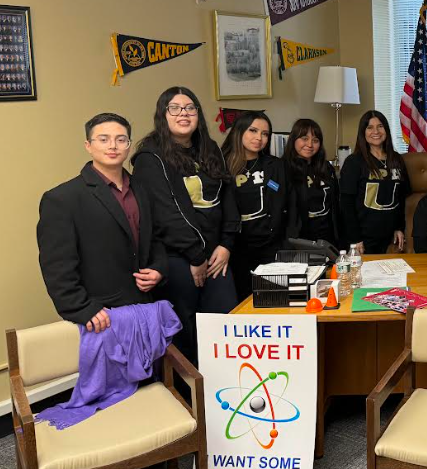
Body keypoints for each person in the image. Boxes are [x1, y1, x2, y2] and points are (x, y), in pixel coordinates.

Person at [131, 87, 239, 364]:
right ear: (162, 114)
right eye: (175, 108)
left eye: (190, 108)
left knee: (224, 324)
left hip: (216, 255)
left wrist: (226, 244)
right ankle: (188, 389)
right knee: (185, 333)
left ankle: (223, 383)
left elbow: (227, 197)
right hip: (177, 256)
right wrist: (195, 255)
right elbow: (165, 214)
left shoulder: (209, 148)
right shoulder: (150, 157)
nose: (184, 114)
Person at [37, 112, 167, 331]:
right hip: (100, 314)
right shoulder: (62, 199)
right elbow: (57, 266)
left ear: (129, 145)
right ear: (88, 145)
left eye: (121, 139)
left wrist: (158, 268)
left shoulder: (142, 190)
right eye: (103, 139)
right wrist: (81, 308)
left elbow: (155, 237)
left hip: (144, 306)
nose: (113, 146)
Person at [222, 111, 287, 301]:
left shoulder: (275, 165)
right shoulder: (223, 166)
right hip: (238, 249)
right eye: (253, 130)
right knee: (244, 302)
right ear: (239, 131)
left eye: (265, 134)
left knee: (274, 300)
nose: (259, 138)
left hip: (271, 246)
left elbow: (283, 199)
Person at [339, 110, 410, 254]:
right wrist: (355, 238)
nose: (376, 131)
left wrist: (399, 227)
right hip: (363, 238)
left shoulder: (396, 159)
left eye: (380, 126)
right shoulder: (354, 162)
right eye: (370, 127)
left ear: (386, 130)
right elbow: (346, 204)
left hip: (389, 238)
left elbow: (400, 199)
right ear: (363, 132)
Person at [283, 118, 340, 248]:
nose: (310, 144)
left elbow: (336, 203)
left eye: (315, 140)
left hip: (328, 237)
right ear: (293, 140)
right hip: (299, 239)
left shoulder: (327, 168)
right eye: (304, 138)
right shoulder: (283, 169)